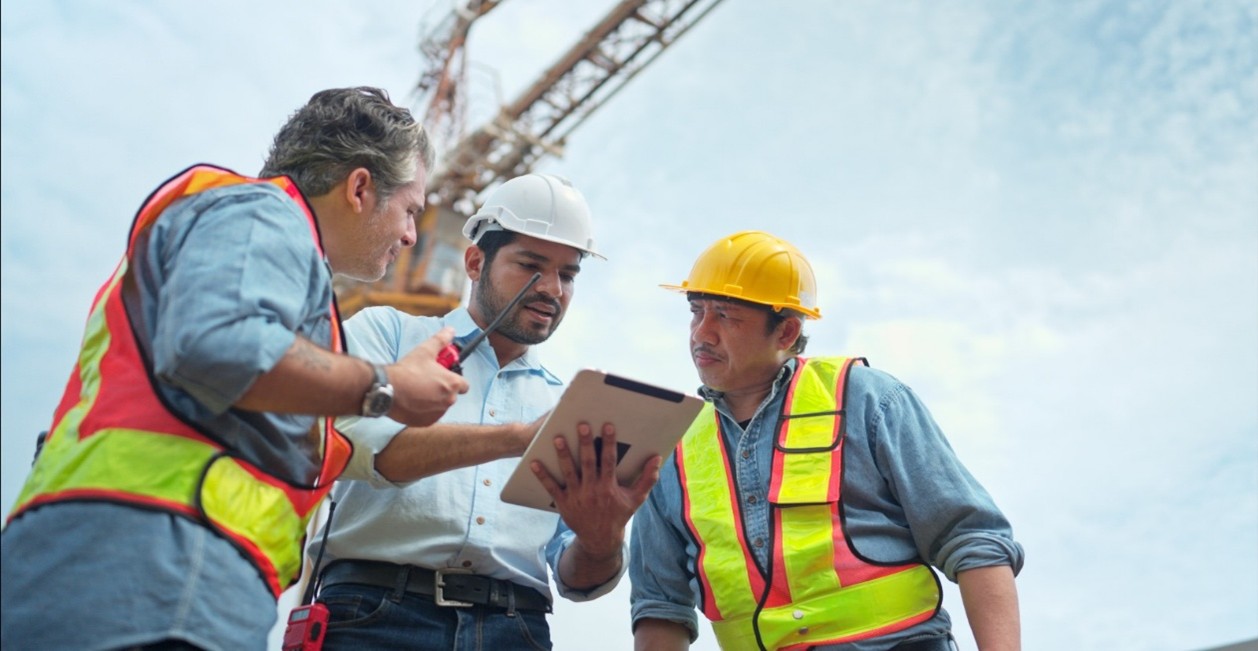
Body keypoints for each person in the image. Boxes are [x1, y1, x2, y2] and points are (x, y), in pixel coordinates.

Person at [0, 86, 470, 651]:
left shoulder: (252, 236)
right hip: (161, 565)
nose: (412, 235)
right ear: (360, 188)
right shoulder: (265, 215)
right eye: (412, 210)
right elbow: (222, 346)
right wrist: (387, 387)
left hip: (130, 557)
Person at [307, 172, 661, 650]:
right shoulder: (387, 334)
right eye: (531, 265)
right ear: (475, 262)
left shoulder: (564, 405)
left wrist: (602, 539)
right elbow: (359, 450)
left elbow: (577, 579)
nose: (552, 289)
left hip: (516, 630)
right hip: (374, 617)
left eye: (568, 274)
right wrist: (517, 438)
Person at [629, 231, 1024, 651]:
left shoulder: (867, 401)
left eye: (725, 316)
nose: (702, 333)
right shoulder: (668, 446)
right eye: (697, 312)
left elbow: (973, 541)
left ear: (786, 332)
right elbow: (660, 606)